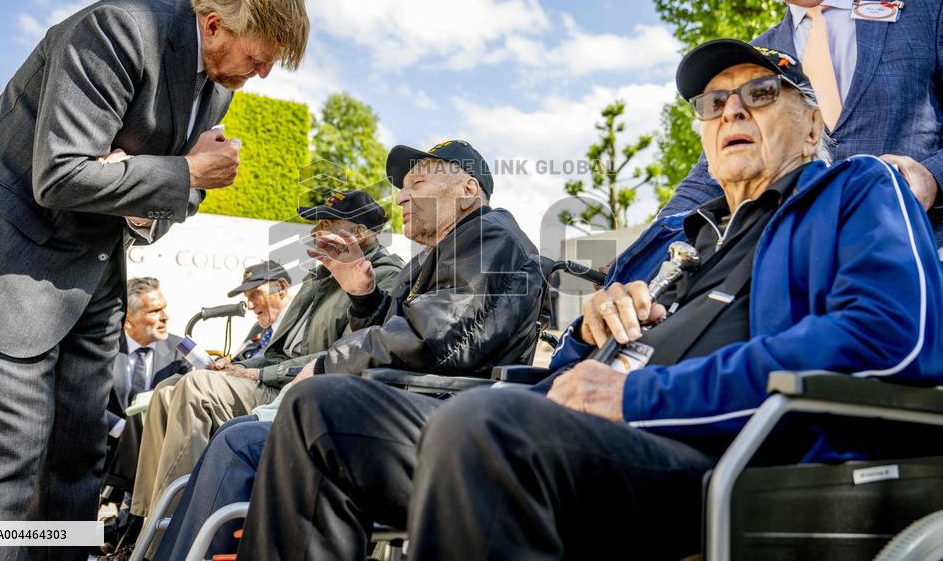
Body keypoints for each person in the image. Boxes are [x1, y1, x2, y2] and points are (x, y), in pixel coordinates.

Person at [233, 42, 943, 560]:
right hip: (570, 435)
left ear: (813, 126)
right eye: (714, 103)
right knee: (321, 410)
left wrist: (639, 397)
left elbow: (891, 336)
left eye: (760, 94)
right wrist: (591, 328)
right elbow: (571, 366)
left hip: (727, 458)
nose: (732, 110)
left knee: (486, 425)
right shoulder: (674, 237)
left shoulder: (853, 191)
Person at [0, 0, 308, 560]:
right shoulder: (117, 29)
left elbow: (161, 199)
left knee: (75, 462)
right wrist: (181, 171)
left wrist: (141, 186)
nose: (265, 73)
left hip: (94, 272)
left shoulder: (217, 88)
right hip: (10, 259)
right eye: (260, 55)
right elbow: (61, 175)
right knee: (3, 460)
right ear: (214, 24)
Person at [152, 140, 547, 561]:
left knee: (244, 441)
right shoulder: (434, 257)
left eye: (417, 183)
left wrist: (328, 365)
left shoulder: (491, 236)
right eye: (402, 187)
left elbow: (435, 338)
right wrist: (364, 296)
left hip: (446, 421)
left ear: (468, 190)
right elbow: (401, 334)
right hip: (414, 406)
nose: (401, 197)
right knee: (239, 436)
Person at [661, 0, 943, 247]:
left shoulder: (927, 12)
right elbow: (710, 175)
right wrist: (636, 257)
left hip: (925, 252)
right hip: (797, 267)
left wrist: (932, 176)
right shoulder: (748, 58)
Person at [129, 192, 404, 520]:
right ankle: (140, 521)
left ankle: (175, 528)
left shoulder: (382, 276)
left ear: (359, 233)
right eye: (317, 223)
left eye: (327, 223)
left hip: (303, 391)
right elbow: (276, 352)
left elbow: (345, 355)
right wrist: (238, 367)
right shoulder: (319, 276)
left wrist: (258, 374)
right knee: (167, 388)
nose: (315, 232)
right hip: (278, 381)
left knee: (197, 388)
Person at [101, 278, 189, 506]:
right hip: (105, 448)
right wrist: (123, 430)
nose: (165, 317)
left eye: (164, 308)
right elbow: (85, 399)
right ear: (129, 319)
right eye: (154, 311)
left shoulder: (182, 349)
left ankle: (130, 521)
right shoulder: (102, 347)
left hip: (156, 455)